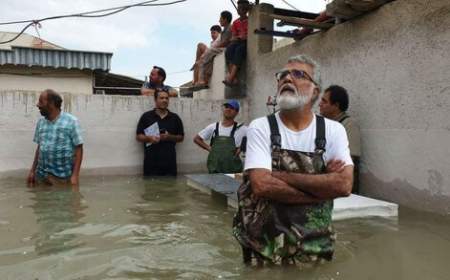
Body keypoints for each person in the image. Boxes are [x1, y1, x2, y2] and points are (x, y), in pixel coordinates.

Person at [233, 55, 353, 265]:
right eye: (282, 75)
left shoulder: (333, 130)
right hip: (262, 247)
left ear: (315, 91)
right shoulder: (261, 127)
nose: (287, 78)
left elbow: (343, 185)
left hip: (314, 246)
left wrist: (279, 175)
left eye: (298, 74)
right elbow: (262, 185)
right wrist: (320, 191)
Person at [27, 89, 84, 186]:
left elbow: (79, 148)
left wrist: (75, 176)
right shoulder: (41, 122)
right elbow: (39, 148)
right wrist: (32, 171)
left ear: (51, 103)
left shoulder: (71, 121)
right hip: (41, 176)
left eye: (41, 101)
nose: (37, 105)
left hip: (61, 178)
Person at [319, 85, 361, 193]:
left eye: (324, 101)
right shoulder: (325, 125)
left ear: (336, 105)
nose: (320, 104)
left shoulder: (349, 125)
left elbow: (351, 160)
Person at [136, 90, 184, 176]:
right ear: (155, 100)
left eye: (166, 98)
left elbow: (181, 137)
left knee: (171, 188)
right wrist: (150, 138)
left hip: (170, 165)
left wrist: (169, 137)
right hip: (150, 165)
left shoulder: (175, 118)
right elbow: (138, 136)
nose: (164, 100)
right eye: (161, 98)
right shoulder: (146, 116)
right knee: (150, 188)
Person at [193, 100, 247, 173]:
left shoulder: (242, 128)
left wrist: (242, 147)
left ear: (236, 112)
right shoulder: (213, 127)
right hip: (215, 170)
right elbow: (197, 139)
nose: (228, 109)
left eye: (232, 108)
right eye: (226, 107)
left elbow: (256, 138)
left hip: (234, 171)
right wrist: (210, 148)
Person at [194, 11, 233, 88]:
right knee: (207, 59)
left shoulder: (229, 28)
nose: (219, 20)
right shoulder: (225, 30)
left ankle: (201, 80)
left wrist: (214, 48)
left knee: (204, 57)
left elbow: (226, 42)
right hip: (221, 49)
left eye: (221, 18)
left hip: (226, 49)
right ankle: (203, 81)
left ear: (225, 19)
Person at [223, 0, 250, 87]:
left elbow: (251, 35)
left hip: (247, 43)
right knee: (229, 50)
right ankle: (234, 79)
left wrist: (245, 37)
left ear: (245, 10)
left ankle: (231, 78)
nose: (238, 10)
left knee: (239, 50)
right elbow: (233, 37)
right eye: (238, 8)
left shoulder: (250, 20)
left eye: (240, 8)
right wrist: (238, 37)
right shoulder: (235, 22)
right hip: (238, 41)